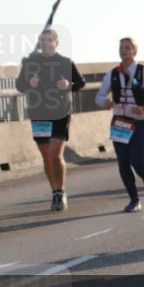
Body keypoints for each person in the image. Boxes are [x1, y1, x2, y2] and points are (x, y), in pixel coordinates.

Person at [15, 28, 86, 211]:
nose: (46, 43)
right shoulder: (31, 62)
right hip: (39, 113)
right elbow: (19, 86)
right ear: (39, 43)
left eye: (49, 40)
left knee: (55, 155)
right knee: (46, 156)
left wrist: (68, 84)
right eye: (43, 40)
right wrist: (29, 84)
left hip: (60, 112)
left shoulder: (65, 62)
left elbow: (81, 83)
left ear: (56, 42)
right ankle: (54, 191)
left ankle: (60, 192)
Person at [95, 37, 144, 212]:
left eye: (127, 47)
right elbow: (99, 97)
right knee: (123, 164)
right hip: (120, 124)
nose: (123, 50)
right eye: (121, 47)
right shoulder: (112, 74)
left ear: (134, 51)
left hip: (141, 123)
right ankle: (134, 200)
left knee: (137, 160)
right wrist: (107, 103)